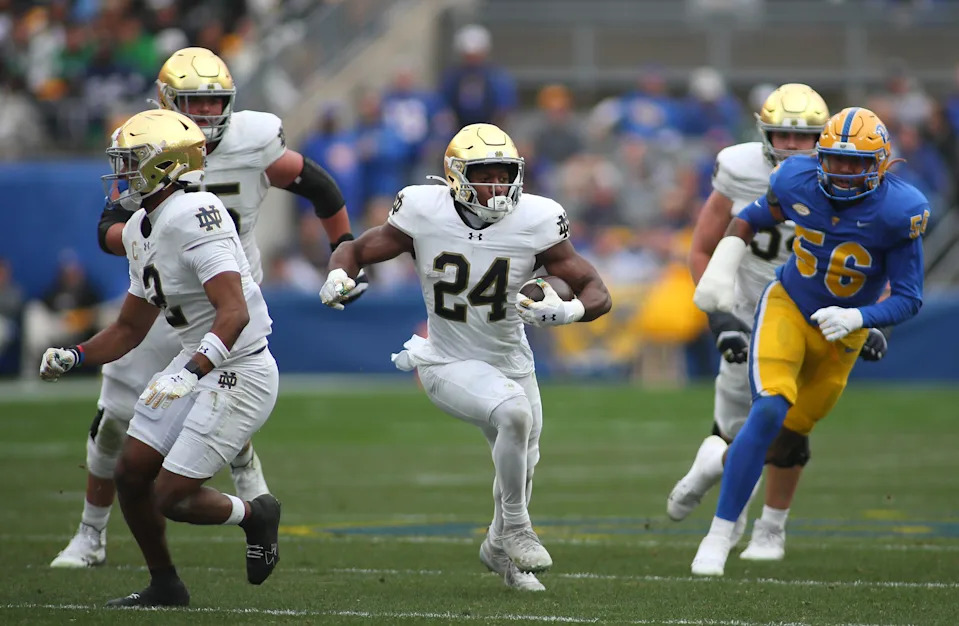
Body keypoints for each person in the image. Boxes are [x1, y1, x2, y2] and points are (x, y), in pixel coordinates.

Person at [51, 47, 361, 569]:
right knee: (114, 425)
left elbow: (319, 185)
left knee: (220, 388)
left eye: (215, 103)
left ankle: (246, 486)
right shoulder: (150, 147)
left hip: (226, 301)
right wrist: (150, 239)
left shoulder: (251, 141)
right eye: (193, 103)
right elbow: (110, 229)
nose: (206, 115)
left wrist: (344, 254)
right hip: (163, 297)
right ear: (169, 101)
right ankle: (91, 534)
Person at [319, 123, 612, 591]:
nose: (498, 186)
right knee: (513, 415)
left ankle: (499, 552)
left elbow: (595, 289)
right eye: (486, 175)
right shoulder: (423, 209)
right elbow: (356, 250)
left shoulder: (537, 218)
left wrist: (568, 310)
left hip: (511, 360)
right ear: (456, 176)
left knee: (524, 458)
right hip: (447, 360)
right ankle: (517, 528)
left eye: (505, 174)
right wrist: (337, 275)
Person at [40, 109, 284, 606]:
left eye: (132, 162)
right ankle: (165, 584)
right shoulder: (140, 228)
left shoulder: (196, 212)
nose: (123, 173)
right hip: (197, 360)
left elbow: (233, 313)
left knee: (170, 496)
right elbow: (130, 328)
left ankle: (256, 515)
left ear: (165, 165)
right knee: (129, 473)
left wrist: (191, 373)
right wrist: (77, 352)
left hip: (241, 369)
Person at [690, 107, 929, 576]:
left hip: (844, 331)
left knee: (791, 435)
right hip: (788, 305)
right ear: (820, 156)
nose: (841, 172)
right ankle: (719, 535)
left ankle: (718, 465)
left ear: (879, 163)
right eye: (834, 160)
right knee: (769, 408)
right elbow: (749, 220)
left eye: (854, 163)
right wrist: (720, 272)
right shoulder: (796, 178)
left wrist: (861, 315)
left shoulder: (902, 210)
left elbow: (908, 297)